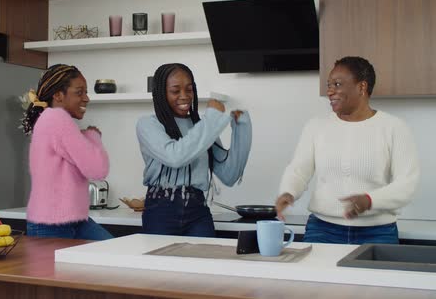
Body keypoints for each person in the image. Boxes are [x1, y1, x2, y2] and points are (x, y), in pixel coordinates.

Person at [275, 56, 420, 245]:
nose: (330, 91)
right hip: (323, 230)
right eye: (329, 85)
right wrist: (288, 192)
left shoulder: (394, 128)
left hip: (378, 233)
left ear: (362, 87)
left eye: (337, 84)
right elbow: (298, 170)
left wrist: (369, 200)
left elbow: (406, 185)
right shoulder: (316, 126)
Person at [136, 63, 252, 237]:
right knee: (162, 264)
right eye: (175, 91)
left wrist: (241, 128)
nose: (184, 96)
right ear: (161, 93)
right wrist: (212, 119)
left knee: (205, 263)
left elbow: (229, 175)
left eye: (189, 90)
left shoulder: (202, 128)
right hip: (161, 211)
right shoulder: (148, 124)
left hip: (198, 211)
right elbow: (174, 156)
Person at [21, 64, 112, 240]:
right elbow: (97, 169)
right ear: (58, 95)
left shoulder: (50, 120)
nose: (86, 99)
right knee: (116, 257)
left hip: (70, 220)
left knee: (115, 256)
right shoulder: (56, 119)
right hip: (52, 225)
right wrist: (93, 136)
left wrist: (85, 136)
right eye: (79, 92)